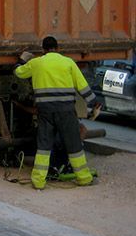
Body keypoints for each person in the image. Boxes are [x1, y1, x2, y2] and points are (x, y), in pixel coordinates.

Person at [14, 36, 99, 189]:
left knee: (44, 145)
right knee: (74, 145)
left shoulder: (37, 63)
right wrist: (94, 102)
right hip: (66, 110)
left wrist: (21, 59)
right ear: (58, 48)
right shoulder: (68, 63)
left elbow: (19, 73)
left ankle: (39, 182)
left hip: (45, 111)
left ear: (43, 49)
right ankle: (84, 178)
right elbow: (82, 87)